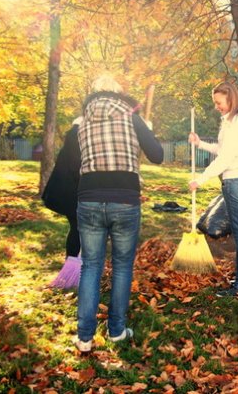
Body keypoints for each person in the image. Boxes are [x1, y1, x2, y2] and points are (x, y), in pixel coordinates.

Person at [75, 74, 164, 353]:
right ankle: (116, 331)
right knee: (122, 266)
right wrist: (146, 131)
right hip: (125, 199)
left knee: (91, 265)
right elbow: (158, 155)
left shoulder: (81, 123)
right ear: (118, 94)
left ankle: (85, 337)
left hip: (89, 199)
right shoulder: (132, 118)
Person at [188, 82, 238, 298]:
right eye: (215, 102)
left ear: (231, 99)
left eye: (219, 102)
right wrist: (200, 144)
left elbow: (226, 158)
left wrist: (201, 179)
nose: (216, 106)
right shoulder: (230, 120)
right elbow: (222, 149)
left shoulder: (236, 121)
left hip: (237, 180)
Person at [42, 116, 82, 289]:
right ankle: (73, 269)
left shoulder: (73, 135)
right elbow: (77, 167)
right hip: (72, 191)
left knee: (77, 229)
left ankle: (73, 266)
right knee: (78, 228)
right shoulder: (78, 137)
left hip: (67, 190)